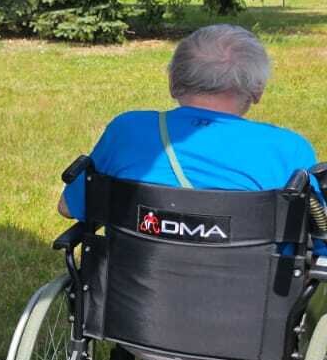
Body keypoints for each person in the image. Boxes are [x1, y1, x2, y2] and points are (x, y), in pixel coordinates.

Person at [59, 23, 320, 220]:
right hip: (253, 278)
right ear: (257, 90)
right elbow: (321, 237)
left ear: (173, 82)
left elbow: (68, 207)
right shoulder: (288, 149)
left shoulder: (127, 130)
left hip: (133, 277)